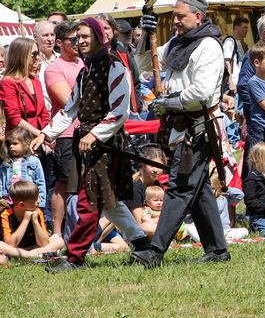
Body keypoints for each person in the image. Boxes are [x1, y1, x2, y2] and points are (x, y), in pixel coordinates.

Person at [33, 18, 152, 272]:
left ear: (100, 37)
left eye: (86, 36)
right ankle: (142, 244)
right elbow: (69, 109)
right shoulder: (86, 70)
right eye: (77, 38)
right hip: (88, 143)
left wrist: (94, 136)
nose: (81, 42)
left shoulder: (114, 66)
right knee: (109, 200)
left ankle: (75, 258)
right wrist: (46, 134)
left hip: (104, 145)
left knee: (90, 200)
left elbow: (119, 112)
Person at [131, 0, 231, 267]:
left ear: (197, 17)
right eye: (174, 15)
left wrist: (166, 102)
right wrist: (144, 35)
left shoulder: (209, 46)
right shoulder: (176, 43)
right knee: (198, 191)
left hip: (200, 128)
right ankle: (218, 251)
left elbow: (202, 92)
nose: (174, 20)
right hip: (181, 128)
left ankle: (156, 251)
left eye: (180, 16)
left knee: (179, 186)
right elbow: (142, 64)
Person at [43, 20, 84, 235]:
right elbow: (69, 101)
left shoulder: (85, 63)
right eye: (73, 39)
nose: (78, 43)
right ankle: (57, 233)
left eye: (81, 38)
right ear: (59, 43)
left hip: (89, 132)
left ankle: (80, 231)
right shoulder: (53, 69)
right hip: (66, 133)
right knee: (64, 185)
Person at [0, 181, 65, 263]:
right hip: (13, 249)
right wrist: (25, 220)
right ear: (22, 204)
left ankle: (30, 254)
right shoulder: (6, 214)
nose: (39, 200)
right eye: (35, 199)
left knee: (59, 241)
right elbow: (11, 244)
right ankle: (34, 255)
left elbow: (44, 243)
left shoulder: (38, 212)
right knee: (1, 245)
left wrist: (35, 221)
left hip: (35, 247)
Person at [1, 126, 47, 209]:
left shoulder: (34, 161)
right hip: (9, 200)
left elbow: (40, 181)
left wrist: (41, 200)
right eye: (10, 144)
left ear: (26, 144)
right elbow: (1, 180)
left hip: (28, 199)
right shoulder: (6, 163)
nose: (11, 146)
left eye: (15, 143)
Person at [222, 17, 250, 97]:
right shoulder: (229, 42)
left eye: (247, 27)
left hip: (240, 83)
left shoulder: (240, 43)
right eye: (244, 27)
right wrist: (230, 82)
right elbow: (227, 62)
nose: (247, 30)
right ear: (236, 28)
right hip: (233, 84)